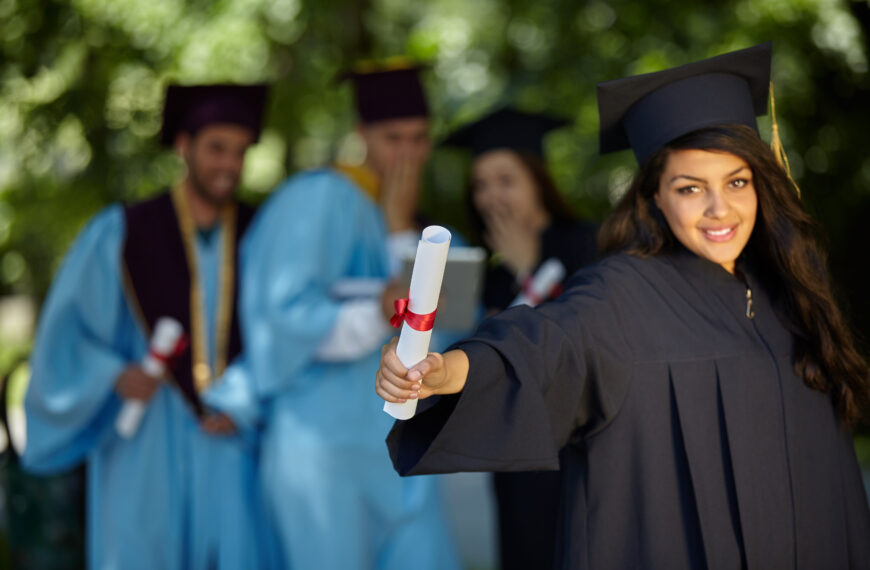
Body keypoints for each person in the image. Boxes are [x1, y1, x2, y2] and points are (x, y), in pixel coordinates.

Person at [375, 43, 870, 569]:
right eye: (690, 188)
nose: (718, 208)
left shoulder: (792, 292)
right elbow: (549, 343)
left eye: (737, 182)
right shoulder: (622, 291)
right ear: (656, 196)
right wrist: (443, 371)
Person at [22, 83, 275, 569]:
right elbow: (67, 333)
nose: (229, 164)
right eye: (216, 148)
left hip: (230, 433)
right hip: (146, 432)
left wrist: (246, 398)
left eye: (240, 152)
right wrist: (111, 374)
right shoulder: (122, 232)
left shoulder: (261, 233)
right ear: (183, 146)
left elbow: (282, 335)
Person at [221, 60, 460, 569]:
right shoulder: (313, 199)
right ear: (361, 134)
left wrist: (398, 228)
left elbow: (453, 336)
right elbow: (283, 323)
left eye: (420, 139)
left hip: (401, 451)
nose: (408, 155)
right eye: (394, 138)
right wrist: (376, 308)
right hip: (322, 450)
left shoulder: (429, 231)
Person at [442, 107, 598, 569]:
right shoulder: (487, 274)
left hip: (580, 454)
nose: (491, 196)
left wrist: (529, 270)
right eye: (481, 185)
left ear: (538, 179)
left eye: (505, 180)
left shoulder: (589, 245)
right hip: (517, 462)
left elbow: (585, 347)